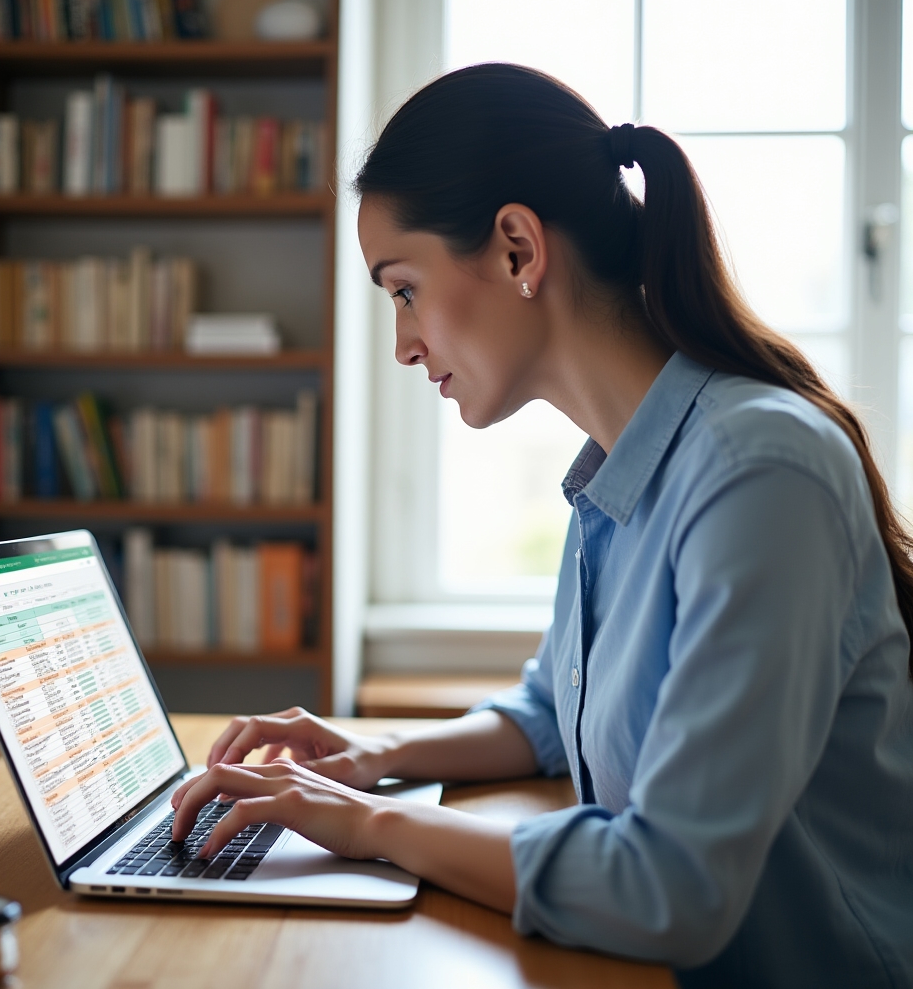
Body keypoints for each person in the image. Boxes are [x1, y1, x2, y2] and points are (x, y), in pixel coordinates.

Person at [171, 64, 913, 987]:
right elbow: (553, 713)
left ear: (519, 249)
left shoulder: (758, 472)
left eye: (403, 290)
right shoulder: (619, 473)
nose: (403, 344)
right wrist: (370, 753)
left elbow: (671, 887)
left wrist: (364, 823)